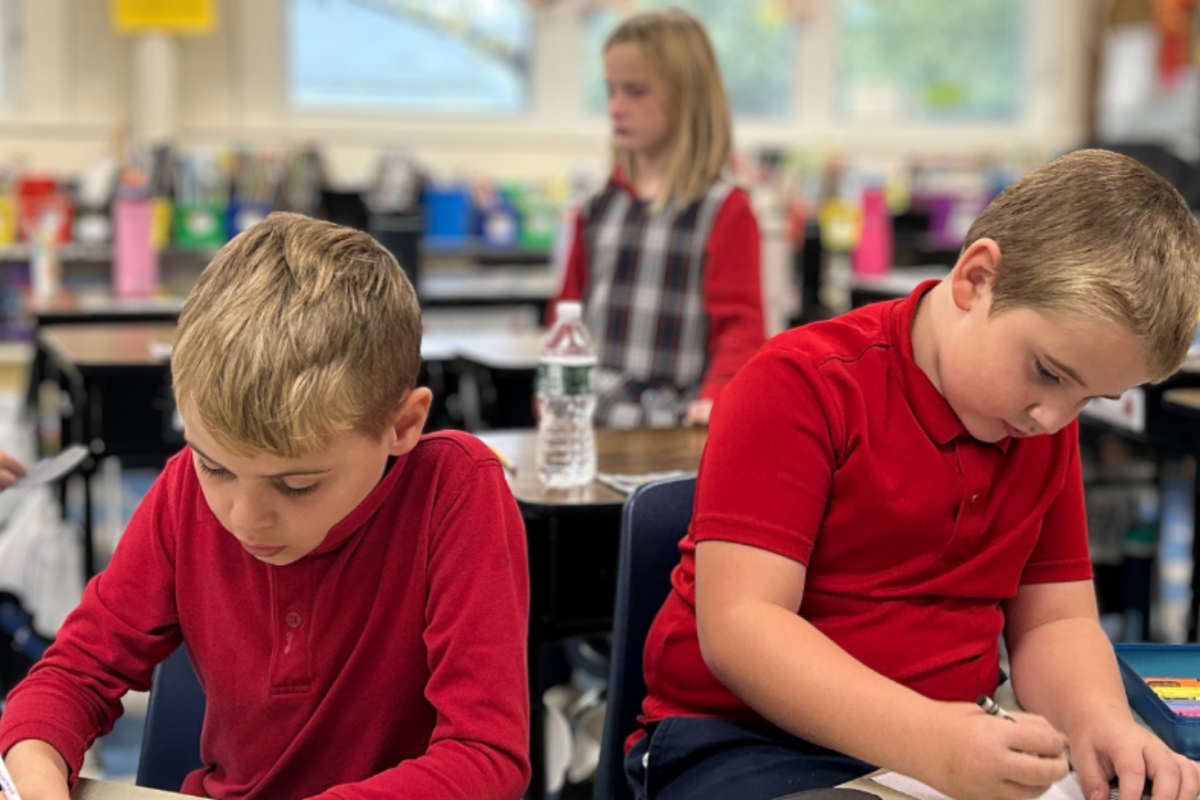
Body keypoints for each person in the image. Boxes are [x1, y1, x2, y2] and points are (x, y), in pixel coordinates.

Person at [626, 149, 1200, 800]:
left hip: (945, 747)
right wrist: (928, 738)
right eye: (1048, 372)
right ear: (977, 278)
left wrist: (1100, 722)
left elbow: (1053, 624)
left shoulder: (1037, 422)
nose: (1053, 416)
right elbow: (742, 628)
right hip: (744, 745)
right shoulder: (801, 385)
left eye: (1090, 399)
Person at [0, 213, 531, 800]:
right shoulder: (182, 492)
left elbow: (485, 757)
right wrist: (36, 775)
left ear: (401, 425)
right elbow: (72, 675)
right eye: (215, 466)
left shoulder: (453, 491)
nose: (244, 517)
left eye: (298, 484)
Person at [553, 8, 765, 429]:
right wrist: (554, 398)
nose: (616, 107)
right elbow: (566, 316)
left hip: (675, 423)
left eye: (636, 91)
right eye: (610, 90)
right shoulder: (596, 207)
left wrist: (715, 397)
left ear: (687, 96)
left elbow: (740, 328)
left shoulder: (725, 208)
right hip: (590, 421)